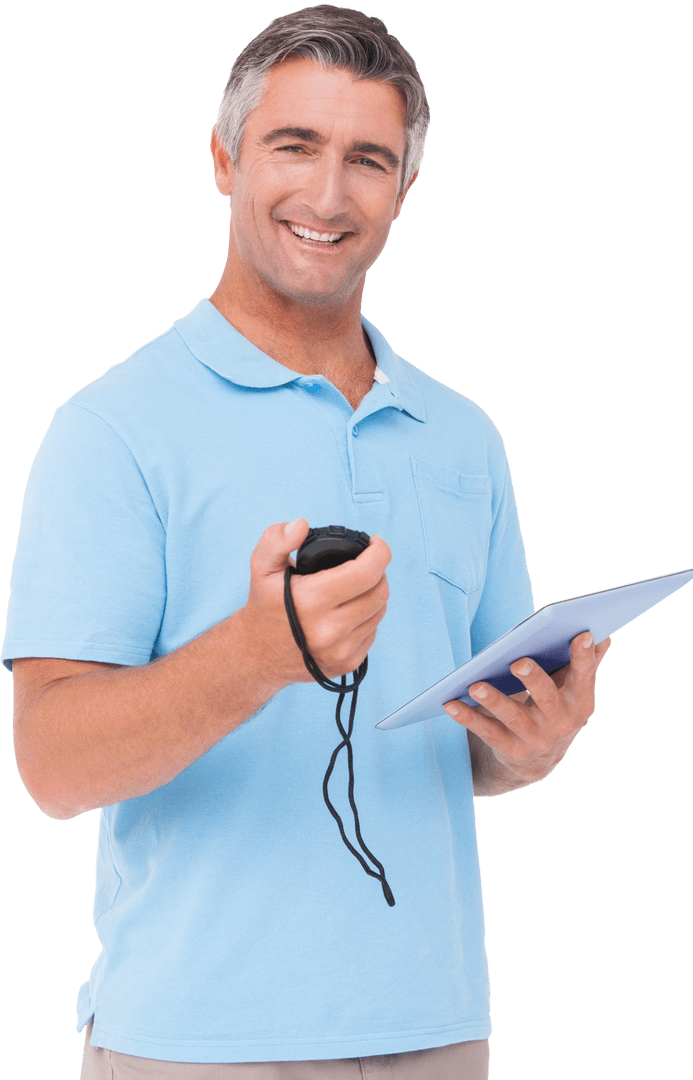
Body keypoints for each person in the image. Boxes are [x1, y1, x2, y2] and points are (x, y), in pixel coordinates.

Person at [3, 6, 610, 1079]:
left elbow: (468, 739)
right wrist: (257, 654)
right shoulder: (112, 428)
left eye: (368, 159)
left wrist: (530, 746)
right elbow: (51, 765)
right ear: (225, 158)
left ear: (403, 189)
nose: (330, 196)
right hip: (193, 1045)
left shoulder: (464, 437)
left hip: (438, 1032)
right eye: (296, 146)